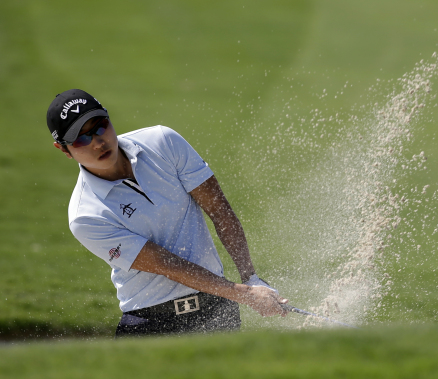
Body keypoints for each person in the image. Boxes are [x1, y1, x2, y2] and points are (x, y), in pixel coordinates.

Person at [46, 89, 288, 337]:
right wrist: (246, 295)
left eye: (100, 126)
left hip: (217, 307)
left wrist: (251, 277)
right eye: (81, 138)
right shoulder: (85, 215)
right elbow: (168, 265)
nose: (98, 141)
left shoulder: (163, 142)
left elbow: (219, 209)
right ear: (64, 149)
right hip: (150, 323)